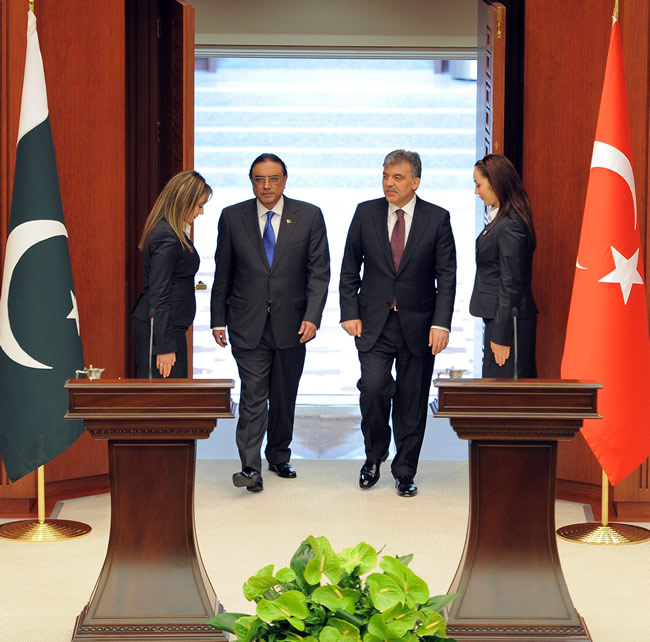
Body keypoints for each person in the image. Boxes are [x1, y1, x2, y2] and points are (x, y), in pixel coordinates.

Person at [339, 149, 457, 497]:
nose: (389, 183)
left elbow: (446, 276)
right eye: (385, 176)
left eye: (398, 177)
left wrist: (441, 324)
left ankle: (405, 470)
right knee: (374, 389)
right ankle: (374, 456)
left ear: (415, 182)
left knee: (411, 400)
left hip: (419, 324)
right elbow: (350, 267)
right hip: (373, 322)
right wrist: (349, 312)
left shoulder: (437, 218)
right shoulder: (365, 212)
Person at [211, 153, 330, 493]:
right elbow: (223, 272)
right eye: (259, 179)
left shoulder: (309, 215)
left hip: (293, 323)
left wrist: (312, 316)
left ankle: (278, 455)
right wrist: (217, 319)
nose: (266, 186)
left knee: (283, 395)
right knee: (253, 395)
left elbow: (319, 272)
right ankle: (250, 468)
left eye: (273, 179)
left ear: (284, 180)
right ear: (251, 182)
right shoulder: (232, 217)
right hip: (246, 322)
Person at [132, 170, 212, 378]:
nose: (201, 212)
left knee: (174, 393)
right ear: (183, 202)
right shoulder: (167, 236)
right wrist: (164, 345)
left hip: (168, 328)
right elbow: (159, 291)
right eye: (199, 205)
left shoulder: (172, 231)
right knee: (163, 395)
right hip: (162, 331)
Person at [471, 153, 538, 377]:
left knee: (505, 391)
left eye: (479, 185)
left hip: (509, 324)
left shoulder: (511, 225)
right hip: (500, 318)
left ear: (495, 183)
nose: (476, 192)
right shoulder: (500, 218)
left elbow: (511, 283)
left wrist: (501, 334)